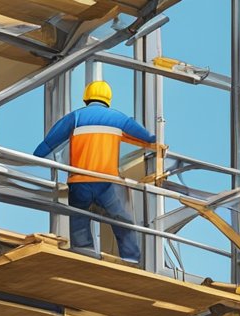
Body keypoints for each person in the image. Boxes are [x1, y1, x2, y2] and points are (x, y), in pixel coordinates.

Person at [33, 80, 160, 264]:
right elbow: (148, 138)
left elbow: (48, 144)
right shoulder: (119, 119)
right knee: (122, 221)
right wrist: (157, 140)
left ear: (86, 97)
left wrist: (34, 158)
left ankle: (83, 254)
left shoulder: (75, 117)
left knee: (79, 221)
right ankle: (132, 259)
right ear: (108, 98)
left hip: (79, 181)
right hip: (106, 182)